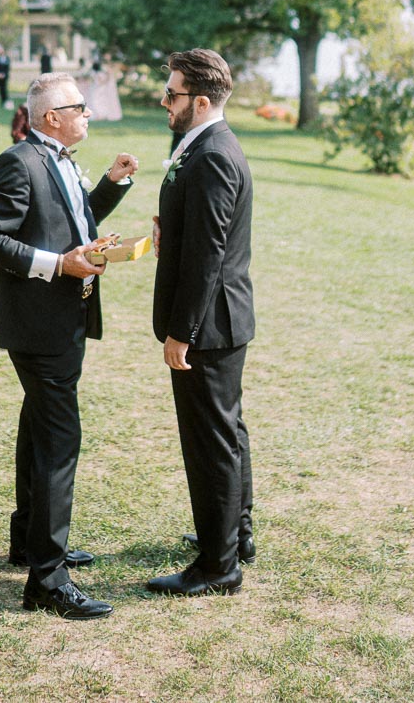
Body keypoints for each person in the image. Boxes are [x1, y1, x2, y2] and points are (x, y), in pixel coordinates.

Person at [0, 72, 139, 619]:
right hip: (40, 323)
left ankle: (29, 541)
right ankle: (46, 579)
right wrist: (56, 265)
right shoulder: (18, 161)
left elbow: (71, 217)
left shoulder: (60, 159)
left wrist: (111, 186)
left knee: (39, 426)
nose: (88, 115)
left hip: (66, 318)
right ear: (51, 118)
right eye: (80, 108)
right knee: (59, 439)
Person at [146, 48, 255, 598]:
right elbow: (202, 233)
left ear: (202, 101)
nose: (164, 101)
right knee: (227, 431)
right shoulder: (205, 145)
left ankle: (218, 566)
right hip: (221, 318)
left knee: (210, 439)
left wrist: (180, 332)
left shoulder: (211, 152)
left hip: (207, 326)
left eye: (173, 94)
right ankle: (235, 535)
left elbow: (209, 254)